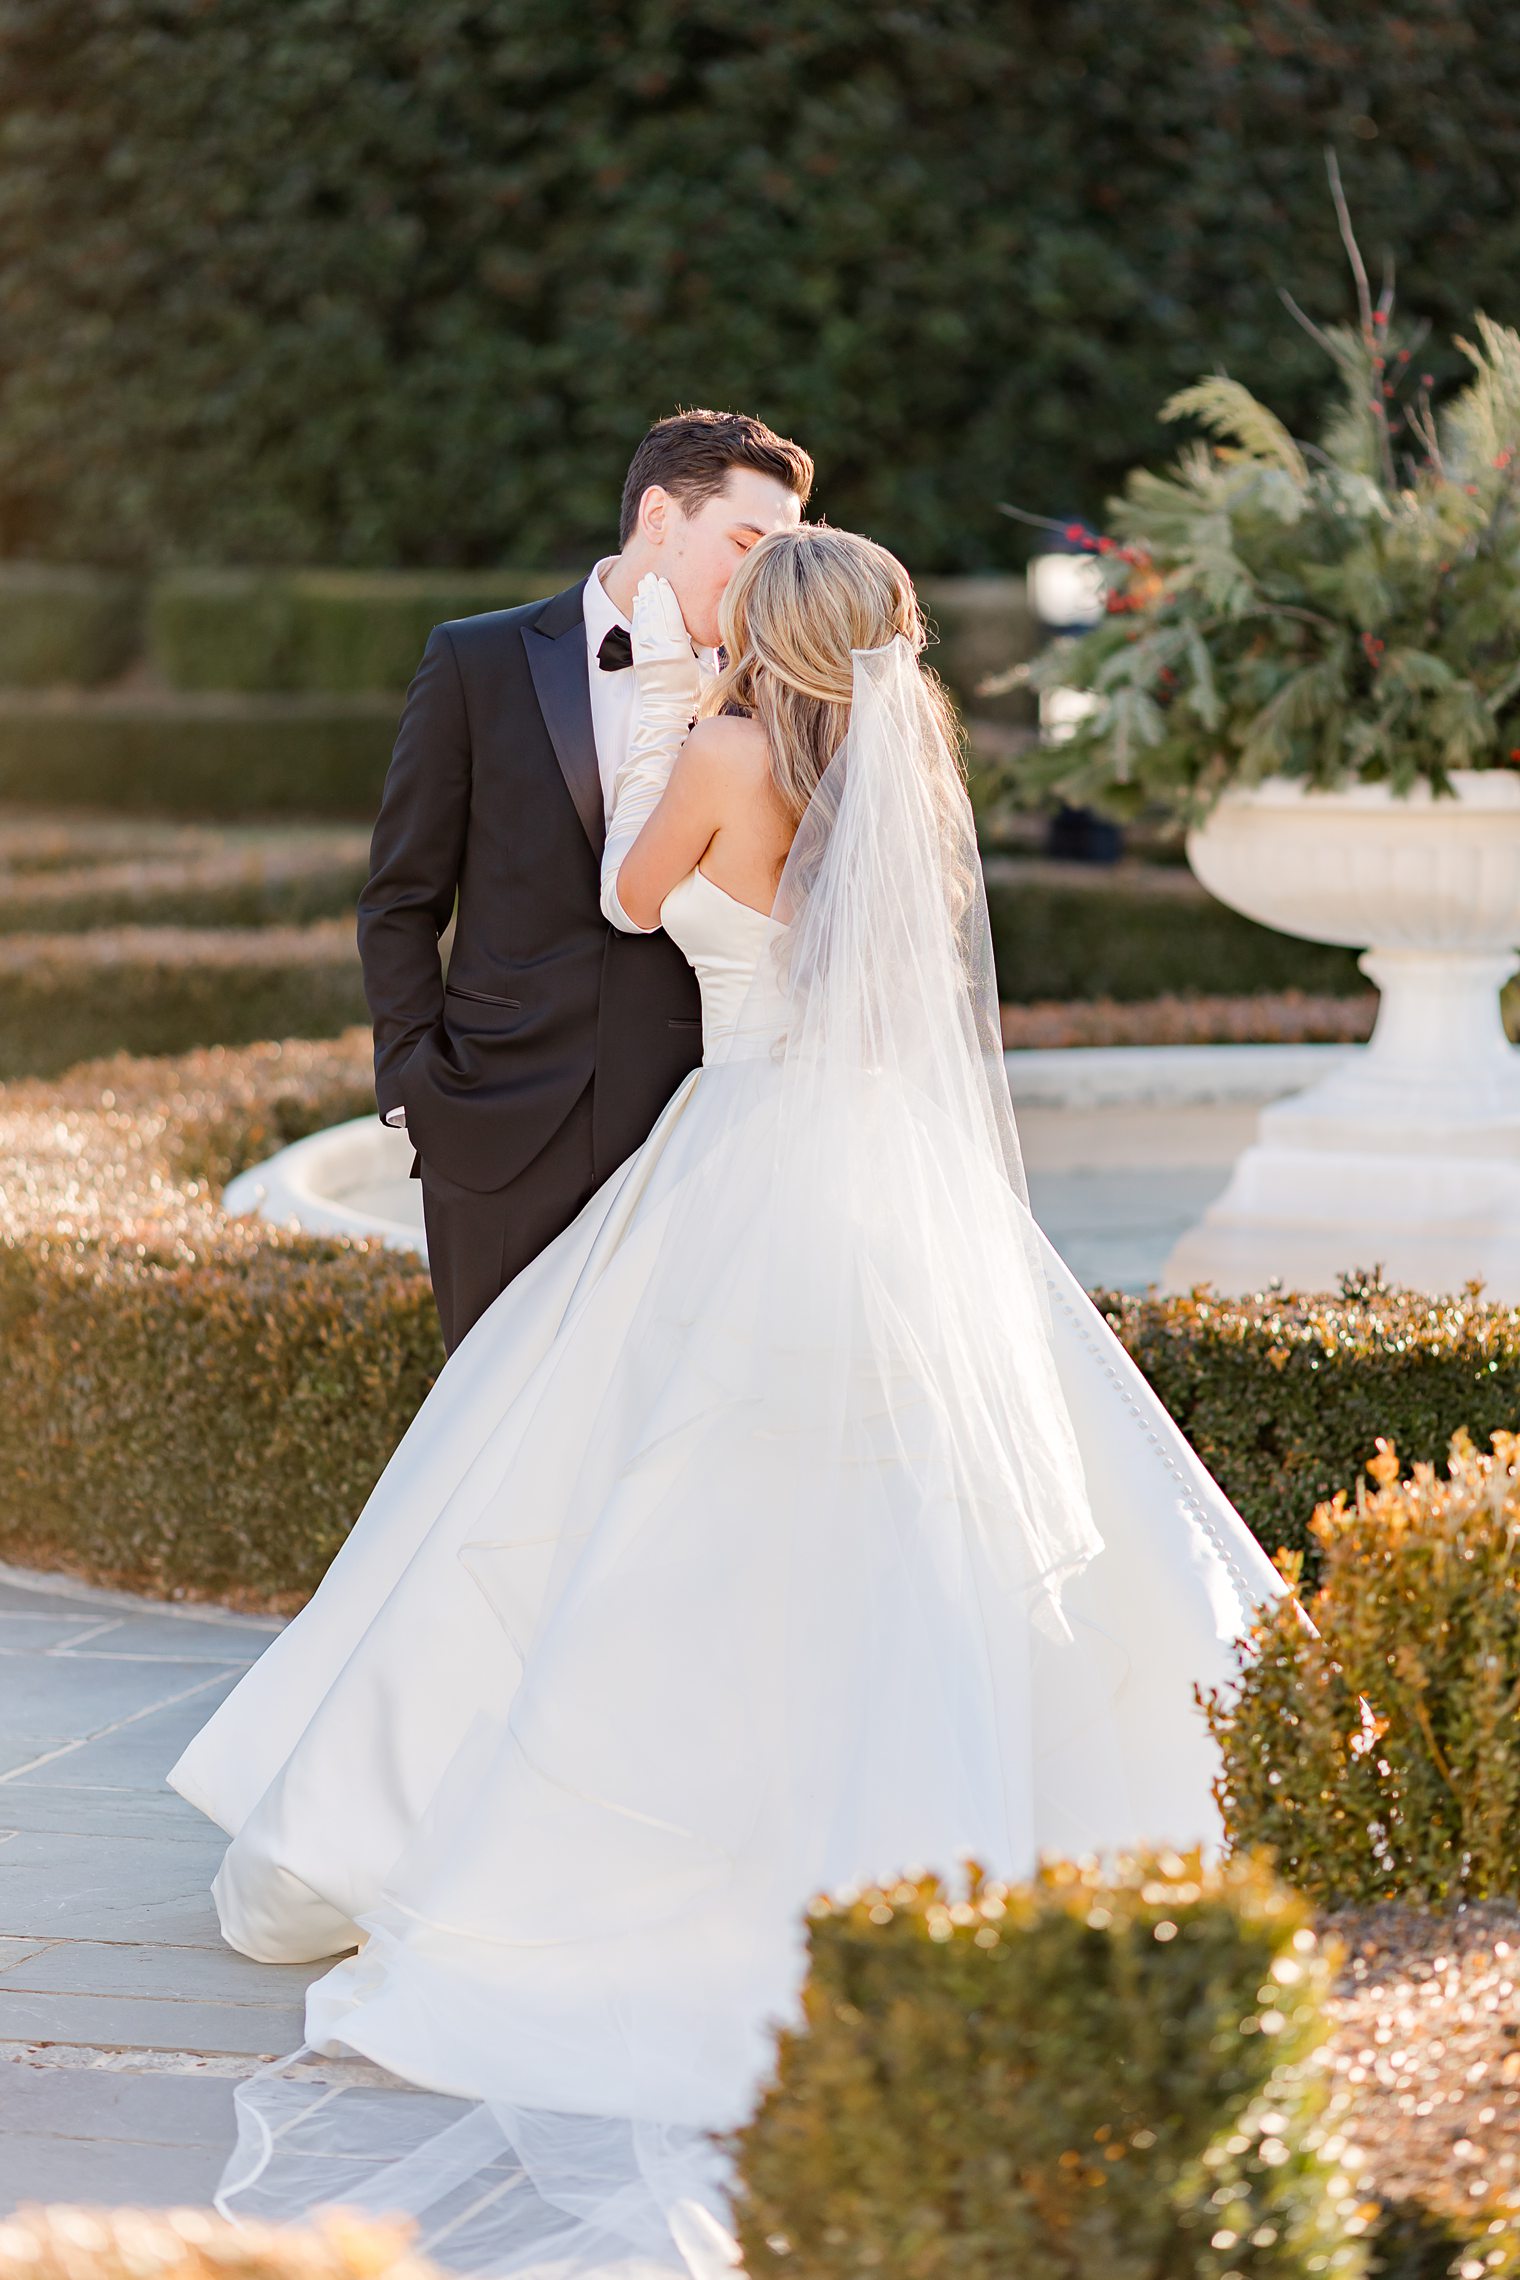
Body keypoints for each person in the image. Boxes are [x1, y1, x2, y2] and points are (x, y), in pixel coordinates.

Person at [169, 527, 1283, 2280]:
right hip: (886, 1166)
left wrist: (682, 749)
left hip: (746, 1148)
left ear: (764, 636)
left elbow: (629, 902)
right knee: (902, 1500)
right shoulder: (898, 781)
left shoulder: (718, 753)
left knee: (637, 1488)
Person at [359, 407, 810, 1352]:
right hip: (493, 1128)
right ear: (659, 517)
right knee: (485, 1445)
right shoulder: (475, 659)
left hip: (691, 1136)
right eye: (745, 541)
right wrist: (413, 1083)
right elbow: (402, 897)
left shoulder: (773, 704)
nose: (760, 575)